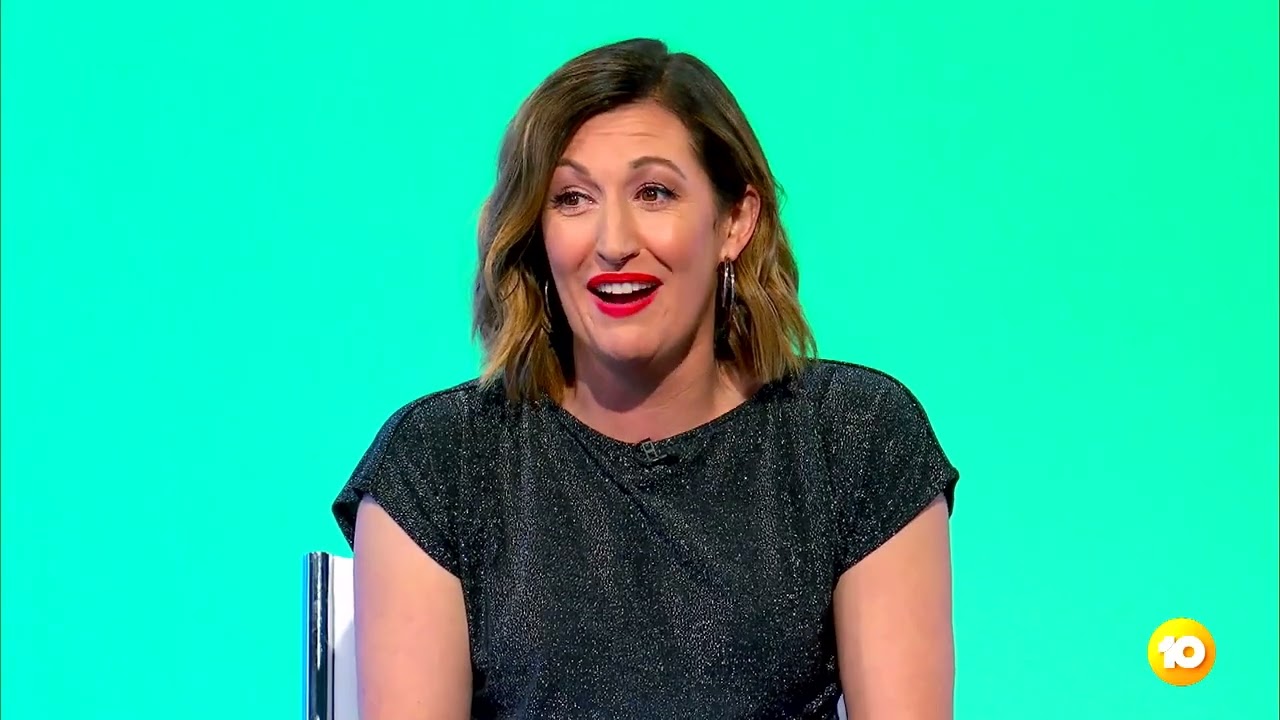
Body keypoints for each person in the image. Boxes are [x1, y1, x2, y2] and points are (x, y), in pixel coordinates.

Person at [332, 37, 960, 720]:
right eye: (572, 198)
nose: (613, 242)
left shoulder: (855, 437)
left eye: (654, 192)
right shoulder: (439, 463)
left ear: (734, 221)